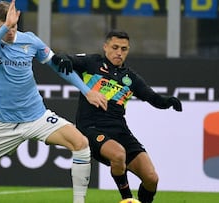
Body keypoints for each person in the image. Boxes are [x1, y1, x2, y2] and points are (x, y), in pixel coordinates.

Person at [0, 1, 107, 203]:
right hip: (4, 124)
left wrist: (87, 91)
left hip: (37, 117)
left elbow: (58, 66)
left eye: (14, 26)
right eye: (5, 27)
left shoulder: (30, 41)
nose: (11, 32)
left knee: (80, 143)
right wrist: (5, 27)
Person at [60, 30, 183, 203]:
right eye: (115, 47)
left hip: (120, 131)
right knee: (118, 155)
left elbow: (153, 98)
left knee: (151, 178)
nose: (119, 52)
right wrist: (65, 59)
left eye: (124, 49)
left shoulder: (130, 78)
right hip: (91, 128)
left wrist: (168, 101)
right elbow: (65, 58)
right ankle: (127, 199)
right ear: (105, 47)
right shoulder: (93, 63)